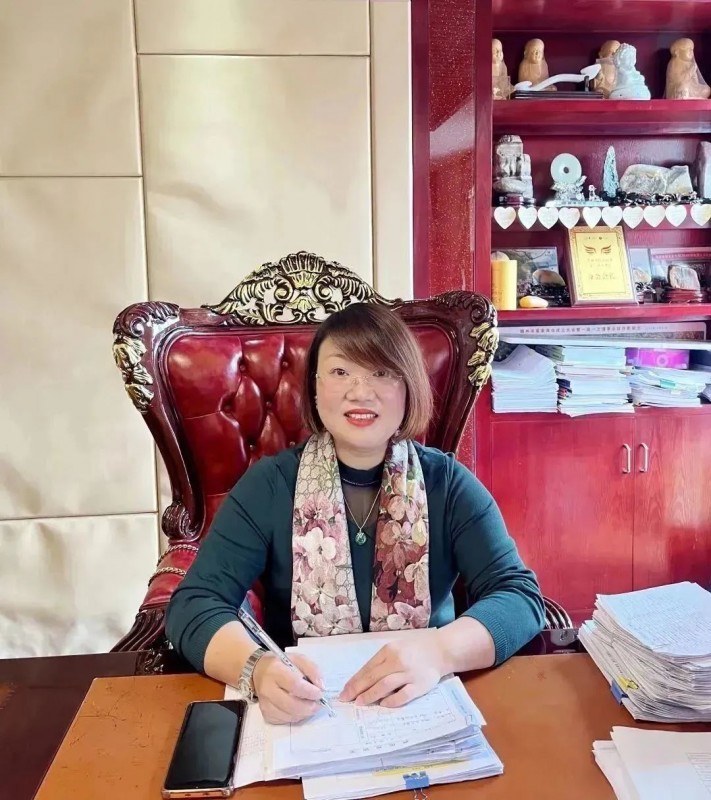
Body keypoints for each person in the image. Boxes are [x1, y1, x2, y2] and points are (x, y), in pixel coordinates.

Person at [166, 303, 545, 724]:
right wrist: (257, 669)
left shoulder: (447, 484)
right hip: (307, 712)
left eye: (381, 372)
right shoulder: (269, 485)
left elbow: (520, 597)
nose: (360, 391)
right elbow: (194, 604)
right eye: (340, 371)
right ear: (314, 388)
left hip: (423, 703)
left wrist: (439, 653)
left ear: (409, 387)